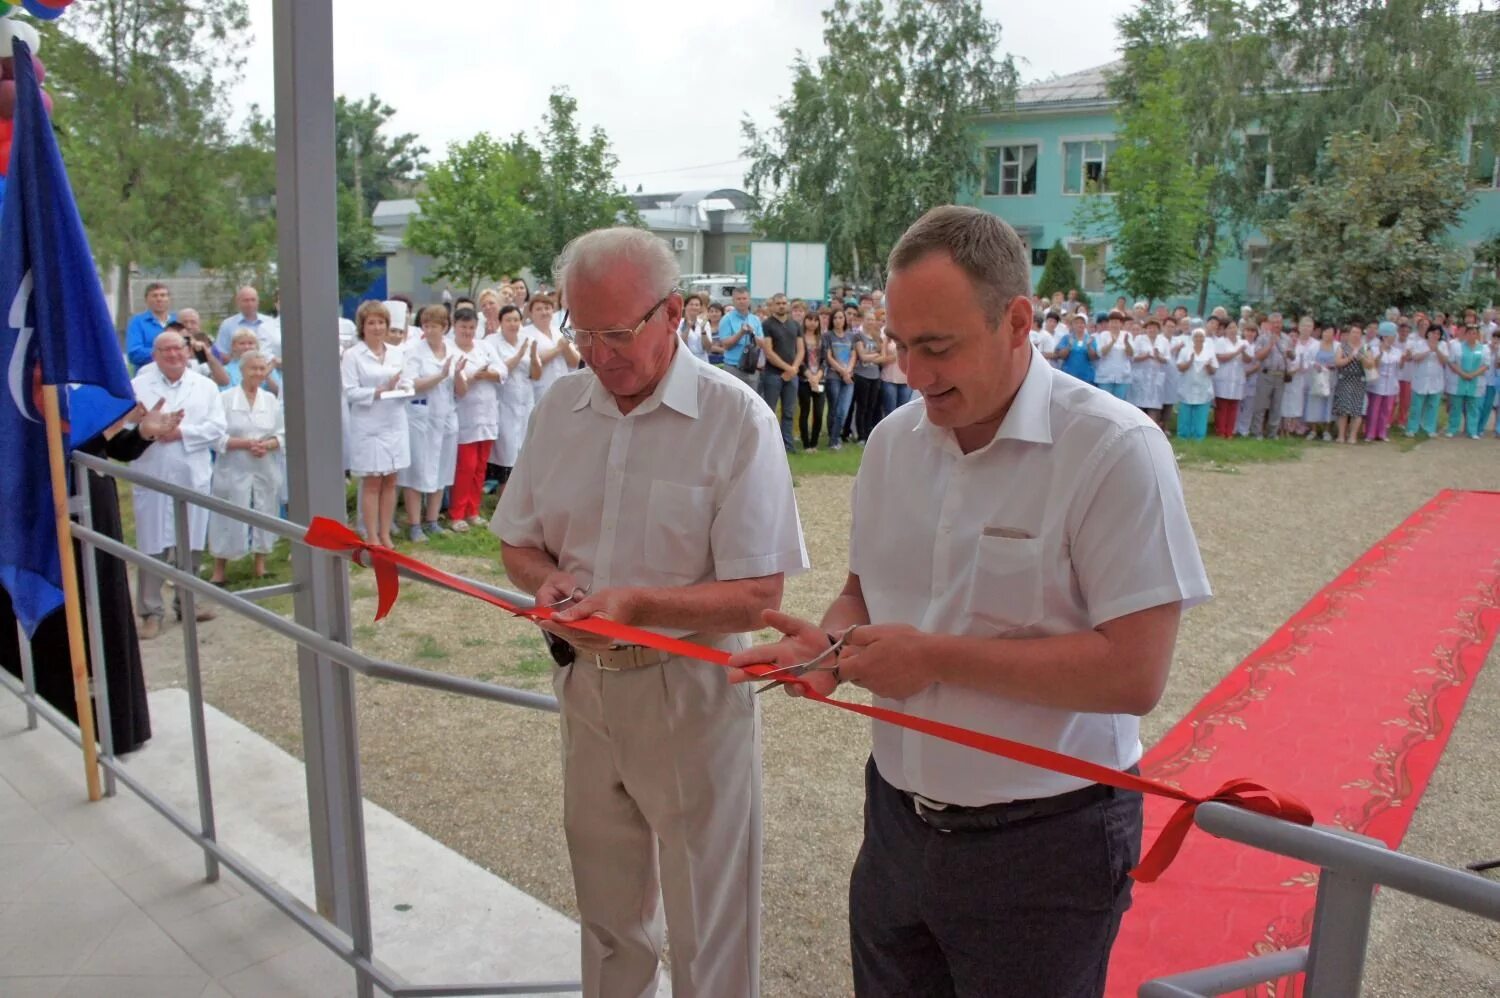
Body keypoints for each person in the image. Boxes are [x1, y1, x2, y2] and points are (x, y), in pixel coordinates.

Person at [729, 206, 1210, 997]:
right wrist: (830, 650)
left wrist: (934, 657)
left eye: (938, 347)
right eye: (901, 345)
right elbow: (863, 590)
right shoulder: (892, 444)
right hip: (896, 824)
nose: (913, 374)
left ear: (1018, 321)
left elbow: (1133, 674)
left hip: (1046, 841)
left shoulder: (1116, 451)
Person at [494, 226, 807, 998]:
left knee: (711, 922)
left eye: (617, 332)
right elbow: (519, 545)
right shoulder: (559, 409)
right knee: (607, 919)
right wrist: (544, 581)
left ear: (674, 313)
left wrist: (638, 604)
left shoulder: (737, 421)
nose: (599, 354)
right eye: (582, 331)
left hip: (690, 696)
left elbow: (760, 594)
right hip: (585, 690)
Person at [0, 399, 182, 753]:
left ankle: (110, 723)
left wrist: (142, 432)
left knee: (98, 615)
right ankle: (55, 711)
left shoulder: (75, 379)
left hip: (88, 509)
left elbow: (109, 447)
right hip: (35, 509)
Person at [131, 331, 228, 639]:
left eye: (177, 348)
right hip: (153, 472)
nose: (172, 355)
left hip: (191, 473)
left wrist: (181, 432)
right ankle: (150, 611)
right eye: (165, 350)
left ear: (187, 352)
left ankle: (188, 602)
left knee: (191, 542)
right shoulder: (137, 387)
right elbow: (126, 428)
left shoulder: (205, 386)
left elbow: (217, 429)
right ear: (155, 355)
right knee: (152, 544)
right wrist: (151, 429)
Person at [206, 351, 284, 582]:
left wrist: (268, 444)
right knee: (227, 511)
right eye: (253, 368)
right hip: (234, 464)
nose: (258, 373)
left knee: (265, 508)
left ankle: (260, 564)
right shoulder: (225, 399)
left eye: (262, 369)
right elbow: (215, 436)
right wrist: (245, 443)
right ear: (242, 370)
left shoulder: (270, 400)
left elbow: (282, 433)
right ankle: (219, 569)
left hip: (264, 465)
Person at [342, 300, 411, 548]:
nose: (377, 327)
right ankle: (370, 535)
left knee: (391, 479)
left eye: (381, 322)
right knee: (372, 481)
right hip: (368, 424)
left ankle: (385, 532)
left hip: (394, 421)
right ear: (363, 326)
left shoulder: (397, 352)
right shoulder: (352, 356)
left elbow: (408, 381)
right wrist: (377, 391)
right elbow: (349, 392)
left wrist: (403, 389)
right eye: (372, 322)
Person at [398, 305, 459, 541]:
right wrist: (440, 375)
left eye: (434, 325)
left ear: (444, 327)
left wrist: (460, 377)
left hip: (446, 416)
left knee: (442, 469)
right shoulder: (414, 352)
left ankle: (432, 520)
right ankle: (414, 524)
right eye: (426, 325)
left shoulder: (452, 350)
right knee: (416, 470)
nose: (429, 330)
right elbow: (411, 384)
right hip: (421, 417)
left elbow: (457, 385)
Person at [449, 307, 504, 530]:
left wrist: (487, 374)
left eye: (471, 327)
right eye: (463, 327)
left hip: (488, 413)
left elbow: (502, 372)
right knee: (466, 466)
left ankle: (473, 510)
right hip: (466, 416)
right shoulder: (450, 350)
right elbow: (457, 383)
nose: (468, 331)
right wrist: (475, 376)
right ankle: (457, 513)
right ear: (455, 326)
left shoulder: (485, 346)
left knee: (481, 466)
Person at [485, 303, 535, 493]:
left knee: (524, 450)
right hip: (504, 404)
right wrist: (521, 354)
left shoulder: (526, 339)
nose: (513, 324)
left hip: (526, 401)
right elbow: (500, 370)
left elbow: (534, 372)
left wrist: (532, 356)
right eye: (508, 320)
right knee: (506, 454)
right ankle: (504, 498)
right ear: (500, 322)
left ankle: (521, 498)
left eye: (516, 320)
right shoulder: (491, 342)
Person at [757, 292, 804, 451]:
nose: (782, 306)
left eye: (784, 303)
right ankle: (769, 445)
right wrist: (788, 368)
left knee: (789, 412)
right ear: (773, 305)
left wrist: (794, 368)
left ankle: (788, 445)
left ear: (788, 305)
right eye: (778, 303)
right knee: (770, 411)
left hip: (792, 375)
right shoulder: (767, 325)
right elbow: (769, 352)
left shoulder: (795, 325)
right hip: (773, 374)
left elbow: (801, 350)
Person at [524, 294, 577, 404]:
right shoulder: (525, 334)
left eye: (547, 308)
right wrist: (558, 349)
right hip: (541, 391)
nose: (544, 312)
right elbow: (533, 363)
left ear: (552, 310)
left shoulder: (560, 331)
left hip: (564, 389)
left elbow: (574, 362)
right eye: (539, 309)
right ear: (530, 313)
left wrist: (565, 347)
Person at [1174, 327, 1218, 440]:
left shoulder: (1209, 351)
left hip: (1203, 388)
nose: (1199, 339)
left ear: (1204, 338)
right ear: (1192, 338)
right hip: (1187, 387)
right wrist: (1189, 362)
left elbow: (1214, 370)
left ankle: (1199, 436)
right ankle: (1183, 435)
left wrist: (1208, 366)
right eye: (1196, 336)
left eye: (1201, 336)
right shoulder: (1185, 351)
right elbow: (1179, 367)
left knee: (1201, 414)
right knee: (1185, 413)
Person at [215, 285, 280, 359]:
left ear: (258, 302)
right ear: (238, 302)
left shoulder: (270, 322)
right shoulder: (227, 325)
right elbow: (221, 352)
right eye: (246, 300)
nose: (250, 304)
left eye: (253, 300)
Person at [823, 307, 856, 450]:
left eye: (841, 317)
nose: (838, 320)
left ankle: (835, 439)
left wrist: (848, 371)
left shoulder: (851, 336)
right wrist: (842, 371)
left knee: (843, 409)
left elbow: (854, 355)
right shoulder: (828, 336)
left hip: (848, 377)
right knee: (834, 408)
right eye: (835, 318)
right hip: (833, 376)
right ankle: (833, 439)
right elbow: (828, 357)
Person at [1447, 324, 1488, 439]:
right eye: (1469, 333)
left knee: (1473, 408)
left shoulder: (1484, 349)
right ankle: (1452, 429)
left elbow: (1486, 365)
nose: (1472, 335)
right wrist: (1463, 374)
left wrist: (1472, 375)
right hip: (1459, 381)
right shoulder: (1457, 347)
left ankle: (1472, 431)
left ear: (1477, 335)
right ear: (1465, 335)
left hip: (1475, 382)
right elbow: (1452, 362)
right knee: (1456, 407)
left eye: (1474, 333)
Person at [717, 287, 763, 388]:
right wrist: (741, 333)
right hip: (733, 367)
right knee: (732, 401)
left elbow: (761, 344)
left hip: (751, 368)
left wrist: (752, 333)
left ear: (749, 300)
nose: (742, 301)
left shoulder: (755, 319)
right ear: (733, 301)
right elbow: (726, 345)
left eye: (744, 298)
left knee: (751, 401)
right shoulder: (727, 319)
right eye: (738, 299)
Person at [124, 282, 175, 371]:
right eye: (154, 296)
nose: (159, 299)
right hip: (148, 374)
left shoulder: (177, 321)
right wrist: (165, 352)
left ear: (169, 299)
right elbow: (134, 354)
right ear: (146, 300)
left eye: (163, 295)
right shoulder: (137, 322)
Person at [1364, 323, 1402, 442]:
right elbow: (1374, 365)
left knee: (1387, 409)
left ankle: (1382, 433)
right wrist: (1381, 352)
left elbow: (1399, 367)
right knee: (1373, 409)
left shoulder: (1397, 351)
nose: (1393, 339)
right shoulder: (1373, 349)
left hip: (1391, 384)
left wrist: (1404, 360)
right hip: (1376, 383)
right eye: (1391, 336)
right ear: (1384, 337)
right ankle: (1370, 433)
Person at [1330, 325, 1369, 444]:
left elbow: (1371, 365)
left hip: (1359, 381)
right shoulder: (1342, 347)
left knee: (1356, 410)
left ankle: (1353, 436)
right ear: (1349, 334)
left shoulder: (1366, 347)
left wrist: (1362, 358)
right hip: (1344, 380)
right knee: (1343, 409)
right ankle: (1341, 435)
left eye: (1358, 332)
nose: (1356, 335)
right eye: (1353, 332)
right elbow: (1337, 362)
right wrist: (1351, 357)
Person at [1211, 318, 1247, 439]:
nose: (1232, 330)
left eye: (1234, 327)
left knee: (1233, 407)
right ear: (1225, 330)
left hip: (1237, 379)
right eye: (1229, 328)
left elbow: (1248, 359)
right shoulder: (1221, 342)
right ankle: (1221, 431)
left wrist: (1244, 352)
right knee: (1222, 406)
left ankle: (1230, 432)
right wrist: (1237, 352)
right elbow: (1221, 357)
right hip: (1223, 379)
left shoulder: (1242, 342)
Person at [796, 311, 826, 451]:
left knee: (819, 412)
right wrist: (809, 376)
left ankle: (814, 443)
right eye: (810, 319)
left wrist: (818, 376)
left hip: (820, 380)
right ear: (805, 321)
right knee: (805, 411)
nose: (812, 323)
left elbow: (825, 360)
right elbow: (799, 359)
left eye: (815, 320)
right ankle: (806, 443)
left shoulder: (822, 338)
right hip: (804, 380)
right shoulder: (800, 338)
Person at [851, 318, 884, 442]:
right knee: (862, 406)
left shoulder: (876, 336)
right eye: (868, 319)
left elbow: (883, 356)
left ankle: (869, 433)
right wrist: (875, 355)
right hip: (862, 375)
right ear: (863, 321)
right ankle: (861, 435)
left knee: (872, 406)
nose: (870, 322)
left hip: (875, 376)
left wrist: (871, 356)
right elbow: (862, 357)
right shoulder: (858, 336)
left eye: (872, 320)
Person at [1093, 310, 1131, 399]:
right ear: (1109, 323)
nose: (1114, 324)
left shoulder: (1126, 335)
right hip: (1105, 376)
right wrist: (1112, 342)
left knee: (1120, 404)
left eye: (1117, 322)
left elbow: (1131, 354)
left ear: (1121, 324)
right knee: (1105, 403)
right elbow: (1101, 353)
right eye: (1112, 322)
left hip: (1122, 376)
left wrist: (1126, 343)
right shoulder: (1103, 335)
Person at [677, 292, 713, 361]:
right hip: (685, 360)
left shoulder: (705, 323)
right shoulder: (679, 323)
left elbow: (708, 348)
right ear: (685, 306)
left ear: (700, 308)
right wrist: (687, 327)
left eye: (697, 305)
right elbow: (680, 345)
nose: (694, 307)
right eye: (691, 304)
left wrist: (703, 330)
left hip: (702, 360)